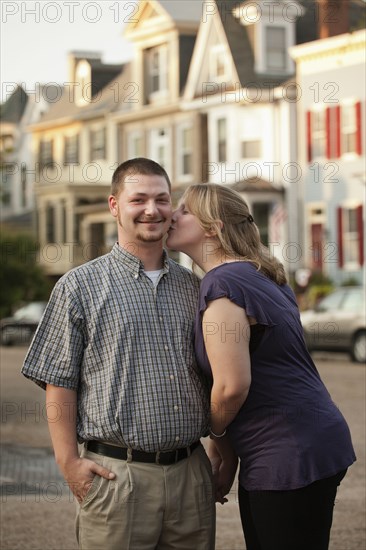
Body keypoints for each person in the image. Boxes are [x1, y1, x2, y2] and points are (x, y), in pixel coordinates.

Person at [21, 159, 215, 550]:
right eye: (138, 199)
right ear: (114, 206)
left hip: (191, 473)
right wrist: (68, 463)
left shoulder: (196, 287)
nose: (152, 209)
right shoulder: (78, 287)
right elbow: (58, 383)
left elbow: (214, 376)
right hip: (117, 478)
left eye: (162, 199)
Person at [166, 183, 356, 550]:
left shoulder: (222, 284)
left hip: (286, 453)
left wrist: (217, 438)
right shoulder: (266, 275)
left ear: (213, 226)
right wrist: (231, 450)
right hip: (316, 438)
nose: (173, 215)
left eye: (185, 210)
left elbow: (232, 386)